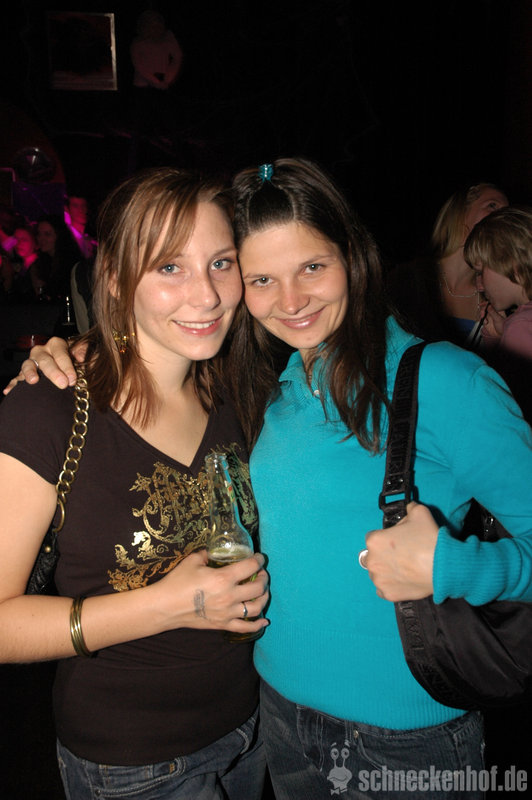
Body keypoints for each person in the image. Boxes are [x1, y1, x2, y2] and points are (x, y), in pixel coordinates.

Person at [10, 159, 532, 800]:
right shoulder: (268, 391)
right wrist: (77, 348)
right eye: (261, 277)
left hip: (397, 741)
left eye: (311, 267)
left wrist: (453, 566)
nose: (290, 300)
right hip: (264, 730)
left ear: (353, 257)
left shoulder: (443, 381)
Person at [0, 167, 269, 800]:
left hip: (253, 729)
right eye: (169, 267)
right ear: (118, 280)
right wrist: (171, 604)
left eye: (221, 263)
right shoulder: (47, 408)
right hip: (133, 762)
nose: (206, 296)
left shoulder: (237, 394)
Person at [387, 182, 508, 349]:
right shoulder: (407, 279)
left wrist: (502, 342)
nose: (502, 217)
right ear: (460, 212)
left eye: (506, 213)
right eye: (492, 205)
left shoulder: (497, 297)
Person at [464, 205, 532, 421]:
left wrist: (501, 341)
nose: (479, 285)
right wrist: (501, 335)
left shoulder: (520, 326)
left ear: (510, 264)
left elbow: (506, 403)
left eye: (480, 272)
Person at [36, 214, 82, 301]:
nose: (41, 239)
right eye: (39, 234)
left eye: (47, 234)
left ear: (59, 236)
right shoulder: (43, 263)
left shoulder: (70, 263)